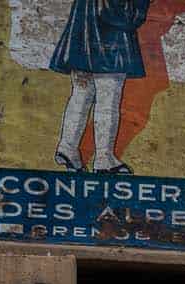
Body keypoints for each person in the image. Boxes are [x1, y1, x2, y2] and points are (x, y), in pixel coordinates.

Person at [52, 0, 151, 173]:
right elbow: (126, 16)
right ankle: (104, 158)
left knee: (81, 96)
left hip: (82, 39)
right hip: (110, 44)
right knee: (108, 101)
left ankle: (67, 147)